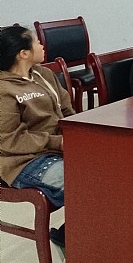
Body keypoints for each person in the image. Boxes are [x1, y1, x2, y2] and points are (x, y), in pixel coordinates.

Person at [0, 25, 75, 248]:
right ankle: (76, 240)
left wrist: (80, 135)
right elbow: (9, 140)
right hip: (24, 161)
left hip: (59, 147)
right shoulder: (4, 91)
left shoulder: (44, 75)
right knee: (86, 184)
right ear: (23, 53)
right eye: (36, 42)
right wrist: (56, 142)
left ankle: (73, 233)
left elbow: (67, 111)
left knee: (114, 173)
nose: (42, 45)